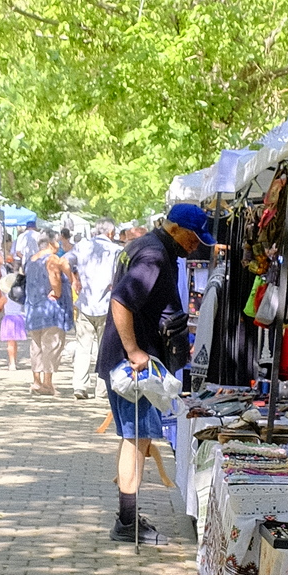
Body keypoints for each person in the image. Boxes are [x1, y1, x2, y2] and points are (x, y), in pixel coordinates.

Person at [98, 201, 211, 544]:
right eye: (193, 238)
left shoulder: (145, 246)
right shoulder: (154, 254)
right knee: (135, 440)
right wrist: (133, 351)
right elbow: (121, 300)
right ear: (175, 229)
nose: (196, 245)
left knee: (137, 439)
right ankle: (126, 522)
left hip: (129, 361)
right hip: (132, 365)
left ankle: (128, 517)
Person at [24, 233, 76, 396]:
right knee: (51, 345)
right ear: (51, 244)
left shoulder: (31, 260)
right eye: (57, 242)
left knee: (36, 346)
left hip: (33, 309)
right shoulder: (51, 259)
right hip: (50, 310)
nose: (59, 244)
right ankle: (47, 383)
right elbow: (55, 279)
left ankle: (36, 381)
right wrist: (58, 292)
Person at [71, 224, 118, 400]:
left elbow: (65, 262)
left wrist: (74, 279)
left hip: (85, 304)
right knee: (104, 348)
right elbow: (116, 278)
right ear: (111, 232)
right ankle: (102, 388)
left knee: (83, 347)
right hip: (106, 305)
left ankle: (79, 385)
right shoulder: (115, 250)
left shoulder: (82, 246)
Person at [0, 248, 27, 372]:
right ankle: (14, 361)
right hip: (19, 318)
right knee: (15, 343)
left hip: (8, 319)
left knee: (10, 343)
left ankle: (12, 363)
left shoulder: (5, 298)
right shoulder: (19, 297)